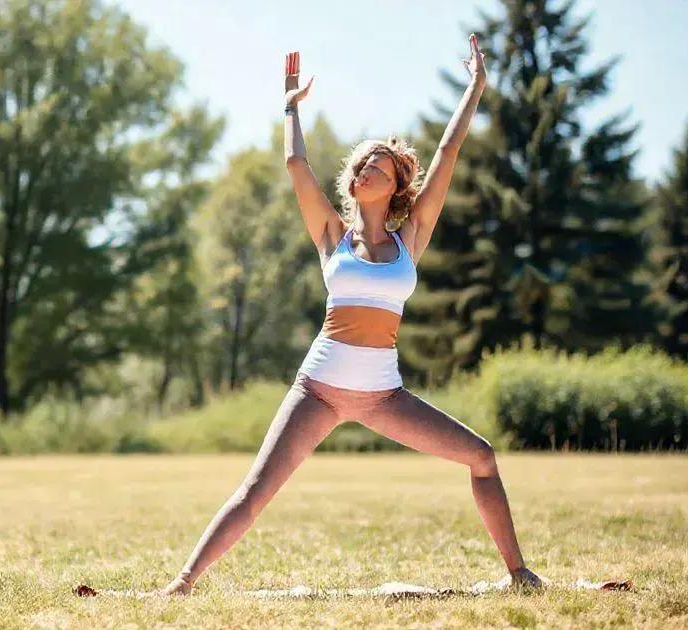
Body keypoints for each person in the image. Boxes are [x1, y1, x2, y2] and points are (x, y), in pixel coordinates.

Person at [153, 34, 546, 597]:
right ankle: (182, 584)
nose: (366, 170)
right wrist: (291, 103)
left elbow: (447, 156)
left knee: (482, 457)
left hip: (384, 394)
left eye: (379, 167)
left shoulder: (412, 237)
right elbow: (295, 161)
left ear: (396, 186)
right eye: (361, 165)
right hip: (317, 389)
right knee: (256, 491)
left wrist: (476, 87)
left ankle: (519, 574)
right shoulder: (332, 236)